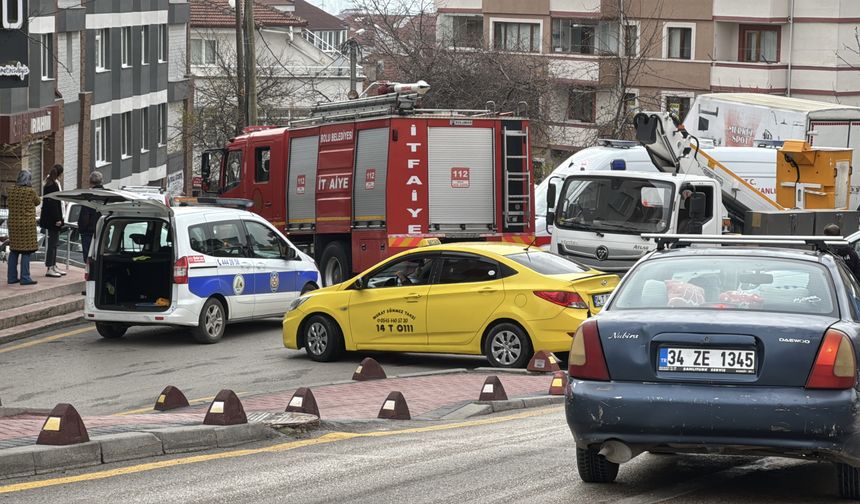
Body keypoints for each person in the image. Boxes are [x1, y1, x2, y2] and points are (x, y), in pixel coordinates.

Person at [7, 170, 41, 285]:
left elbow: (8, 203)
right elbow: (38, 202)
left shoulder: (11, 190)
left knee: (14, 250)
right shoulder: (30, 192)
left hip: (13, 224)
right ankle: (25, 277)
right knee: (26, 251)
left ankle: (11, 277)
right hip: (27, 226)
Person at [40, 164, 65, 278]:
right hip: (53, 219)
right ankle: (50, 266)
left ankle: (53, 265)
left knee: (54, 243)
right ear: (59, 174)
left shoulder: (50, 183)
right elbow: (54, 204)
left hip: (53, 218)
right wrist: (58, 219)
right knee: (52, 244)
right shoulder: (52, 185)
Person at [77, 171, 104, 261]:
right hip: (103, 230)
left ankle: (91, 275)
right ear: (101, 181)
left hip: (89, 232)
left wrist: (81, 230)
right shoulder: (107, 195)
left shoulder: (88, 196)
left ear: (90, 181)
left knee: (89, 259)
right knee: (102, 257)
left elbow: (85, 216)